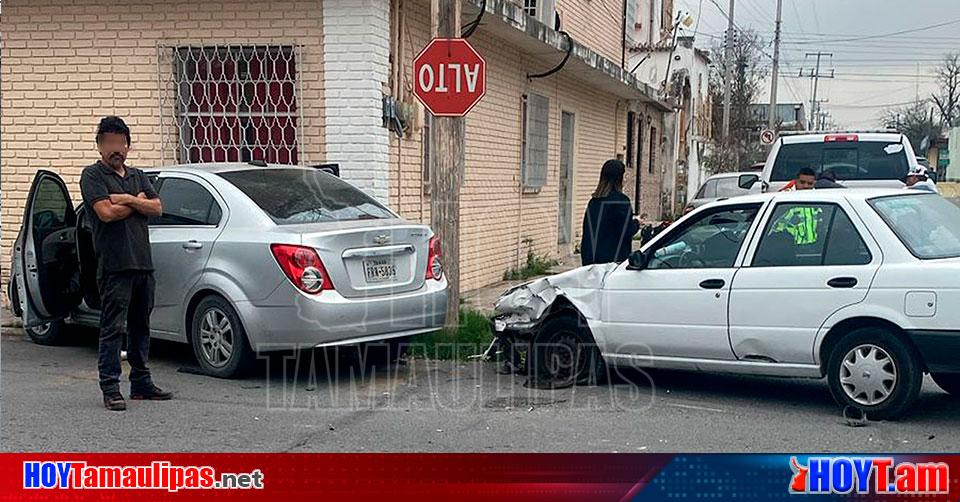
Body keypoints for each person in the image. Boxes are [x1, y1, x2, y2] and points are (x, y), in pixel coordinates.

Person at [80, 116, 170, 411]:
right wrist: (136, 202)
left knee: (141, 326)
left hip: (143, 264)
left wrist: (126, 198)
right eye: (108, 143)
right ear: (99, 146)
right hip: (114, 266)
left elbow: (157, 208)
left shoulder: (137, 175)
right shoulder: (92, 176)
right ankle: (110, 387)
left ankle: (142, 383)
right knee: (112, 328)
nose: (115, 148)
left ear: (128, 146)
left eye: (120, 142)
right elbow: (105, 213)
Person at [580, 159, 640, 265]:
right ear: (619, 178)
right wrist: (637, 223)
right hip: (614, 260)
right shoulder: (621, 201)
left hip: (591, 260)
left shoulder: (594, 201)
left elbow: (587, 232)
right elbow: (626, 230)